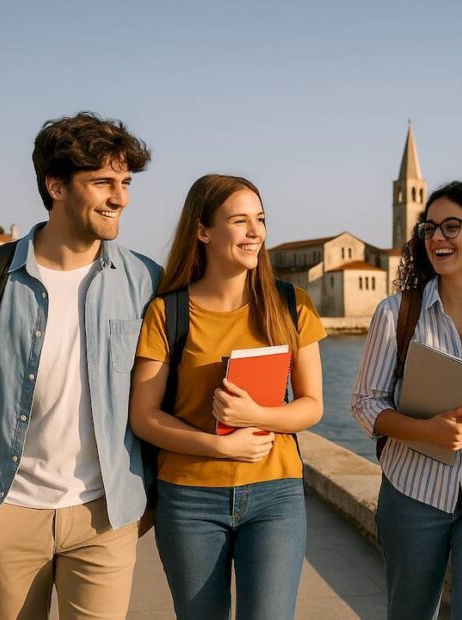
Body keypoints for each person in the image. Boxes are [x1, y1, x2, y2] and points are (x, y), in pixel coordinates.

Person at [0, 111, 160, 619]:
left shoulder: (145, 280)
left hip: (106, 516)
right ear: (55, 185)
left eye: (123, 182)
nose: (119, 197)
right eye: (102, 182)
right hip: (8, 509)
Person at [129, 174, 325, 620]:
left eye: (260, 219)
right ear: (203, 231)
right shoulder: (168, 312)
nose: (256, 232)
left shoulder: (292, 305)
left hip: (276, 496)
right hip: (190, 500)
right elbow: (144, 416)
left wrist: (258, 415)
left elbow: (313, 406)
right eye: (240, 220)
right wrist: (219, 445)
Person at [352, 181, 462, 619]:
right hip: (412, 494)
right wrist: (425, 431)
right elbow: (365, 403)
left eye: (452, 227)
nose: (437, 238)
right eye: (429, 228)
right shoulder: (396, 313)